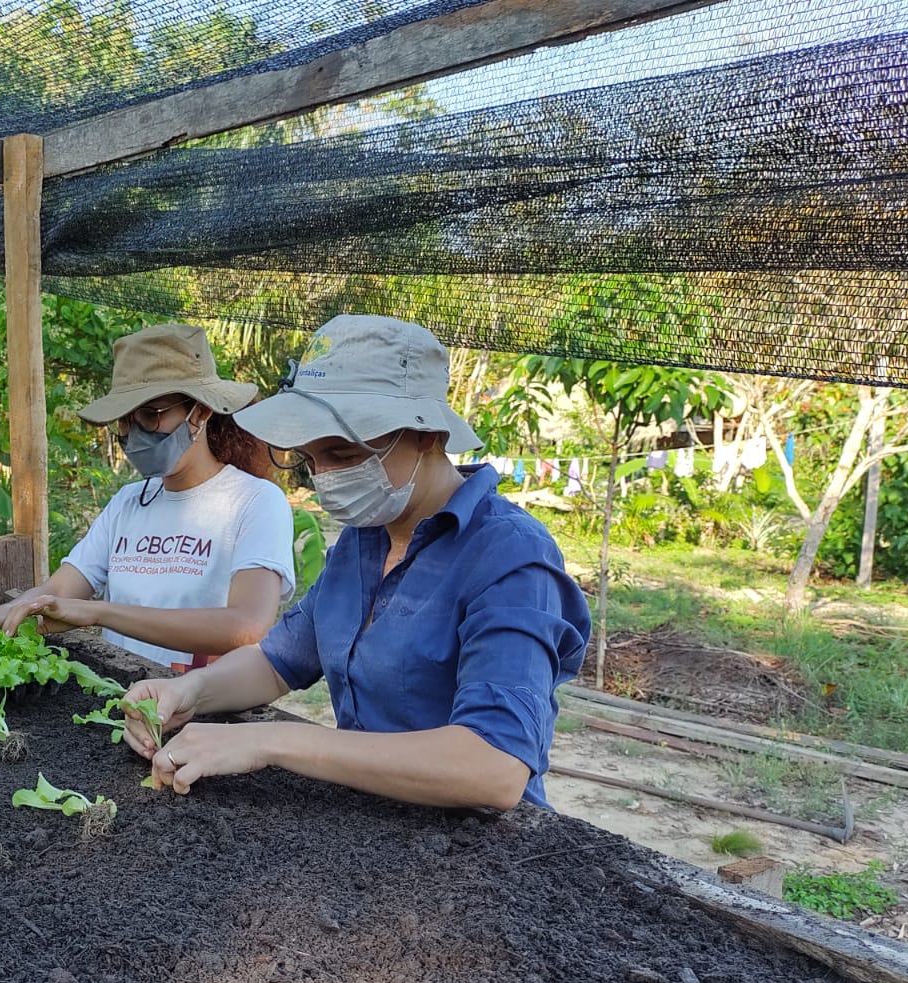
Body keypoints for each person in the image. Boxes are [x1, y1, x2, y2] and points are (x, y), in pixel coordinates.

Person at [121, 315, 591, 810]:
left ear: (426, 434)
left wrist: (268, 741)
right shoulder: (363, 540)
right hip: (376, 817)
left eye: (343, 454)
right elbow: (279, 661)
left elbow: (494, 766)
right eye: (309, 458)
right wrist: (189, 692)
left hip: (479, 839)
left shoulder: (510, 554)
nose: (323, 475)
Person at [0, 324, 295, 670]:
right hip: (126, 695)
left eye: (150, 414)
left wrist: (100, 613)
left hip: (205, 700)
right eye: (125, 421)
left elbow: (246, 625)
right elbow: (61, 588)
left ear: (201, 411)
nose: (134, 435)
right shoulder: (127, 503)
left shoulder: (254, 501)